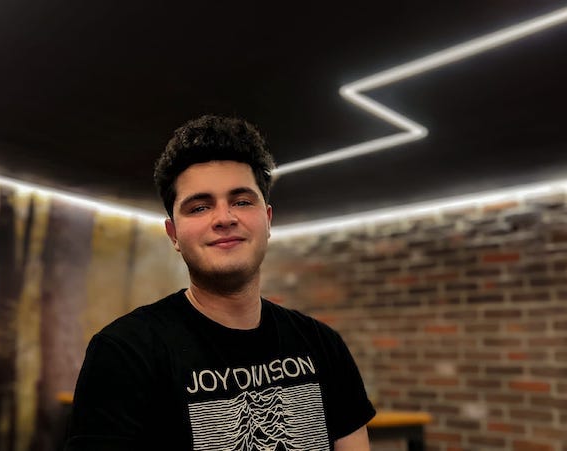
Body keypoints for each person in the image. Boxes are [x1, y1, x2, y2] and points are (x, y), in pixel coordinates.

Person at [65, 115, 375, 450]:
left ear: (267, 220)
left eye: (242, 201)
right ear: (174, 234)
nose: (224, 218)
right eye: (199, 207)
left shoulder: (324, 345)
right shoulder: (123, 353)